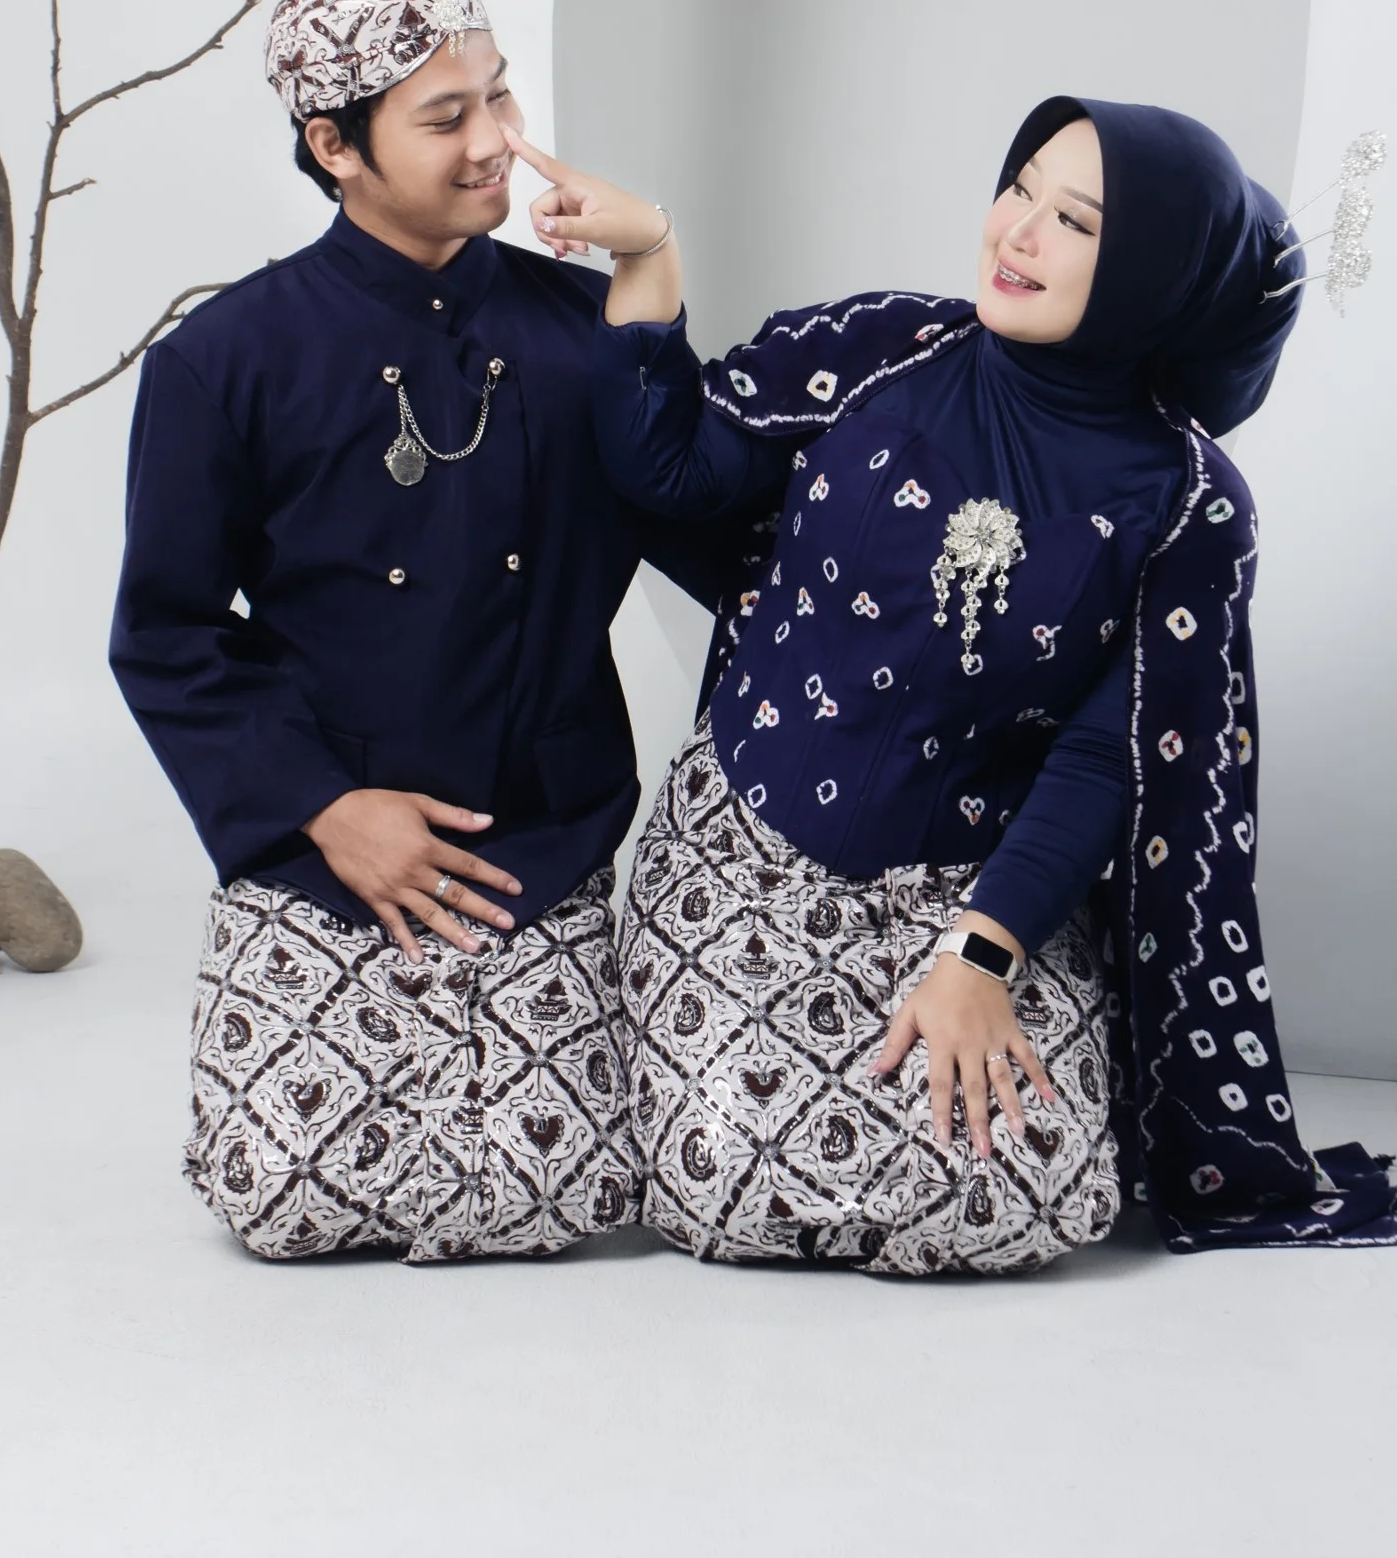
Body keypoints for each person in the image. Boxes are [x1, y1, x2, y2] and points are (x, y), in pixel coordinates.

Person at [504, 99, 1397, 1270]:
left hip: (982, 892)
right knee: (727, 1179)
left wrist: (981, 956)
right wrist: (648, 253)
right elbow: (669, 470)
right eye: (1020, 187)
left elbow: (1107, 756)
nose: (1016, 231)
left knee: (1032, 1193)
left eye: (1074, 220)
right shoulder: (883, 349)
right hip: (749, 853)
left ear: (1154, 277)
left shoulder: (1188, 505)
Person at [109, 0, 723, 1263]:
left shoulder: (591, 329)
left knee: (563, 1197)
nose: (496, 141)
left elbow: (731, 533)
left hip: (537, 843)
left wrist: (655, 265)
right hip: (320, 850)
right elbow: (166, 633)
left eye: (498, 95)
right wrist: (327, 809)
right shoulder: (222, 361)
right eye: (447, 116)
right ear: (334, 146)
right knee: (283, 1199)